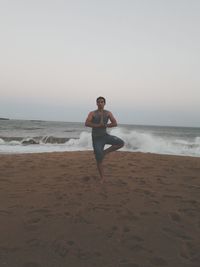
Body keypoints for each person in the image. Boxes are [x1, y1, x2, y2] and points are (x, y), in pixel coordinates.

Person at [85, 96, 124, 183]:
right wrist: (98, 125)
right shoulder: (92, 113)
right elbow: (87, 123)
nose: (100, 103)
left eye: (102, 102)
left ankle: (105, 152)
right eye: (98, 102)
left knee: (121, 143)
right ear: (96, 103)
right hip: (96, 139)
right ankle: (102, 178)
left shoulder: (108, 113)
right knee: (99, 158)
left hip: (105, 136)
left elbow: (115, 123)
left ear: (104, 103)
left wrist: (106, 125)